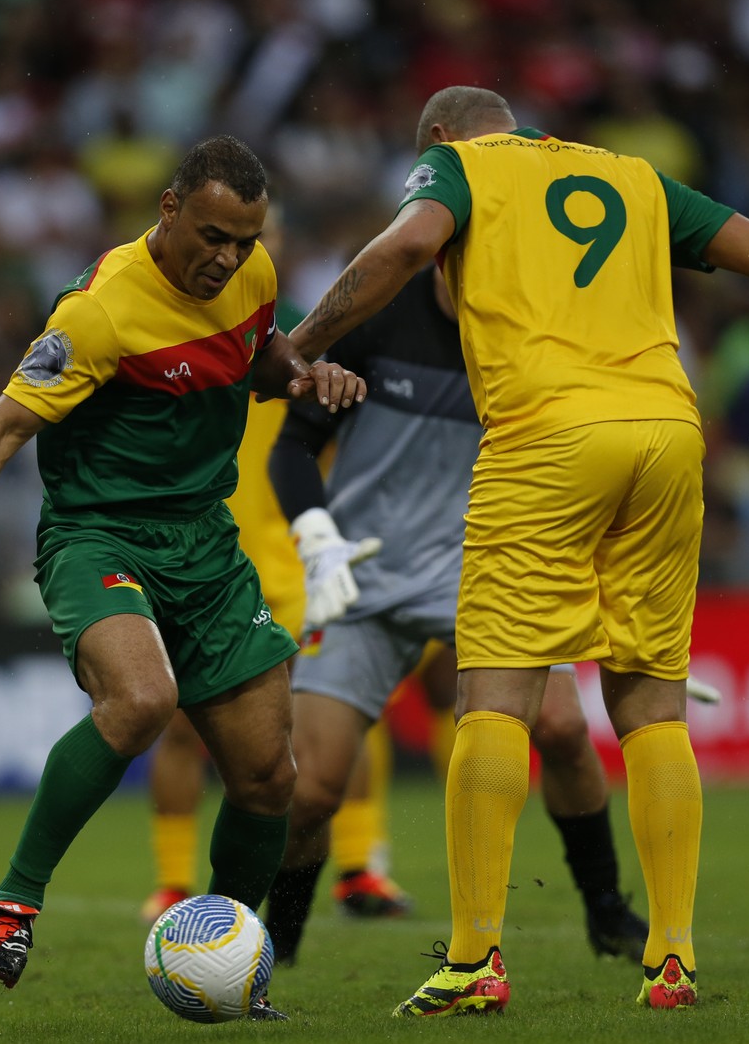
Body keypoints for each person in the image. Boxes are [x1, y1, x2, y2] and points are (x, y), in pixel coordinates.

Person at [285, 86, 749, 1015]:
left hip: (547, 437)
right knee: (650, 702)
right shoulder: (631, 176)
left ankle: (476, 958)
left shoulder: (460, 166)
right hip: (669, 434)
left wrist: (299, 344)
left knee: (497, 696)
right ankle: (669, 957)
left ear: (436, 138)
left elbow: (404, 245)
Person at [0, 136, 366, 1022]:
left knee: (268, 777)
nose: (227, 258)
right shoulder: (98, 314)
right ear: (168, 208)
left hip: (206, 544)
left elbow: (262, 354)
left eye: (244, 241)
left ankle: (228, 951)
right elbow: (2, 422)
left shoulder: (250, 279)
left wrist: (303, 372)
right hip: (100, 537)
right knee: (141, 701)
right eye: (212, 234)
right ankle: (13, 904)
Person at [261, 265, 649, 967]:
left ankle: (606, 910)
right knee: (313, 788)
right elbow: (291, 448)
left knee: (561, 725)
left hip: (487, 571)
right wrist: (317, 539)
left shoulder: (535, 327)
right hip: (364, 577)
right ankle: (274, 947)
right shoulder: (375, 315)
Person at [139, 210, 408, 926]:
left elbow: (350, 447)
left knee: (338, 714)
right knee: (180, 725)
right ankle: (171, 882)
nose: (247, 252)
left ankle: (358, 866)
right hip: (204, 559)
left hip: (298, 559)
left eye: (261, 239)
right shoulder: (168, 327)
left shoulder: (308, 342)